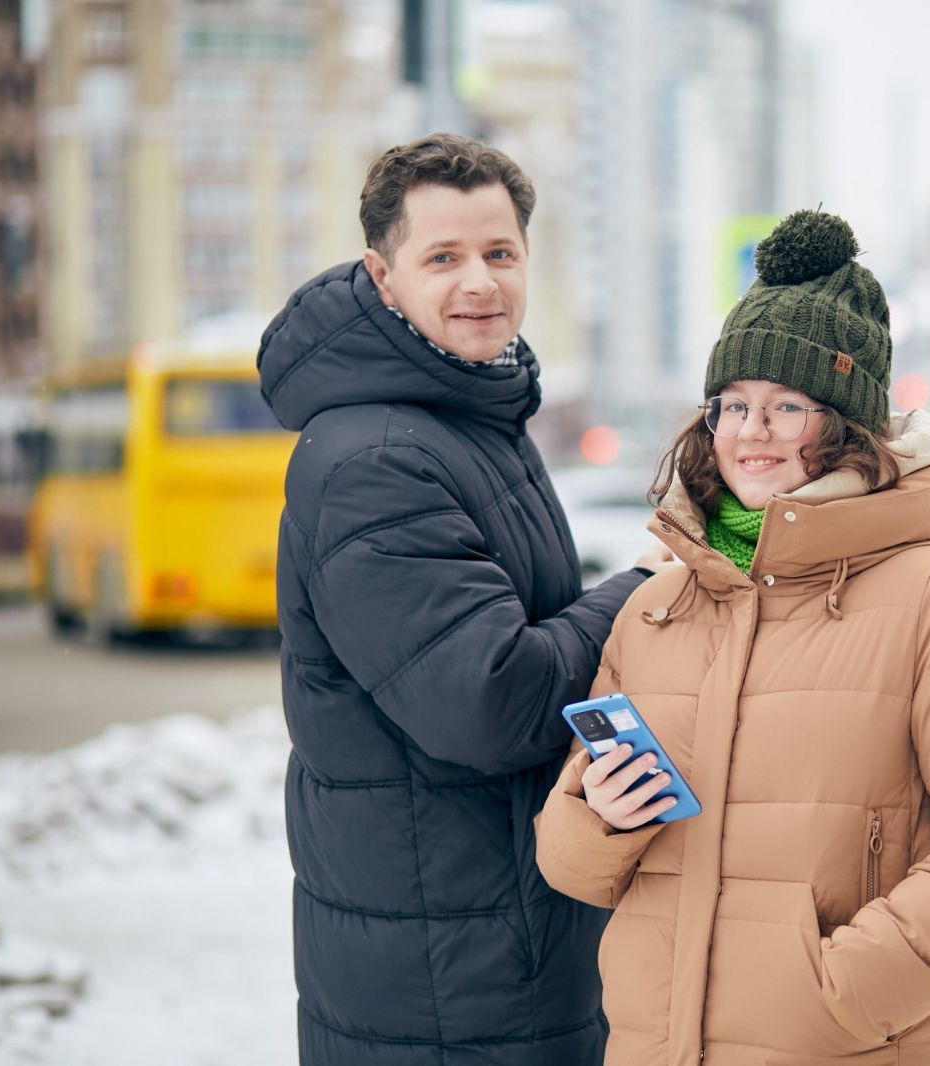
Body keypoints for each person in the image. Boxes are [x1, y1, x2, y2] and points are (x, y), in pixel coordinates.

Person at [534, 209, 930, 1065]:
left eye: (787, 406)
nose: (752, 432)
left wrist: (844, 993)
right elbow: (569, 863)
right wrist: (600, 817)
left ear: (848, 425)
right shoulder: (659, 609)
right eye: (734, 405)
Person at [258, 133, 670, 1066]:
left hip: (488, 934)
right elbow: (490, 702)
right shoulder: (376, 460)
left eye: (499, 253)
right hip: (448, 977)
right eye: (443, 257)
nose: (479, 282)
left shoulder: (466, 417)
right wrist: (646, 590)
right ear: (383, 275)